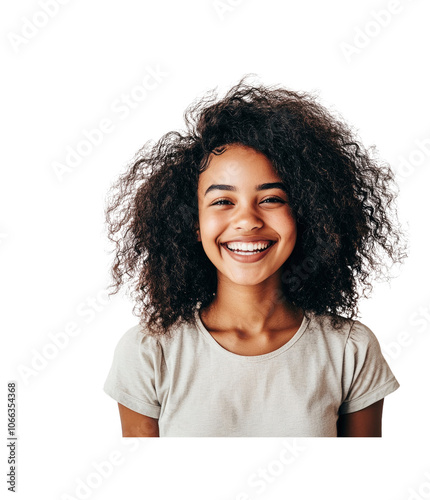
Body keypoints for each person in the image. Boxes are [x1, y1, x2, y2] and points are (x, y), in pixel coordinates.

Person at [103, 75, 408, 437]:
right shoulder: (149, 353)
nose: (247, 220)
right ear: (193, 223)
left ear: (306, 214)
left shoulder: (350, 350)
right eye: (222, 202)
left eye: (271, 199)